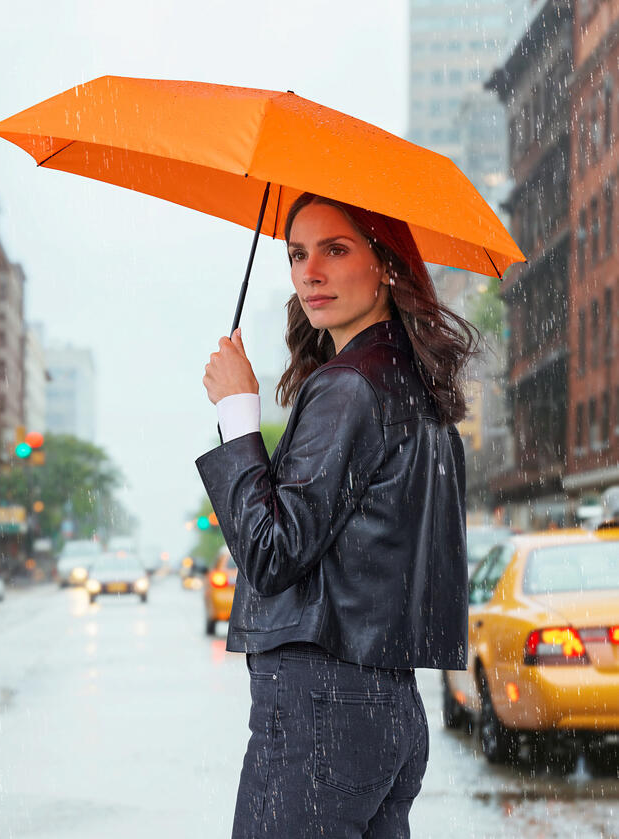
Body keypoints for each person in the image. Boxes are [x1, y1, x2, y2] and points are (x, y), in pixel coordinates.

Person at [196, 192, 476, 838]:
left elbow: (272, 551)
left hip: (321, 705)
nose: (310, 273)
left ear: (387, 264)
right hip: (386, 705)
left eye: (336, 249)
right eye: (298, 254)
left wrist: (238, 411)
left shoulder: (350, 386)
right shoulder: (414, 386)